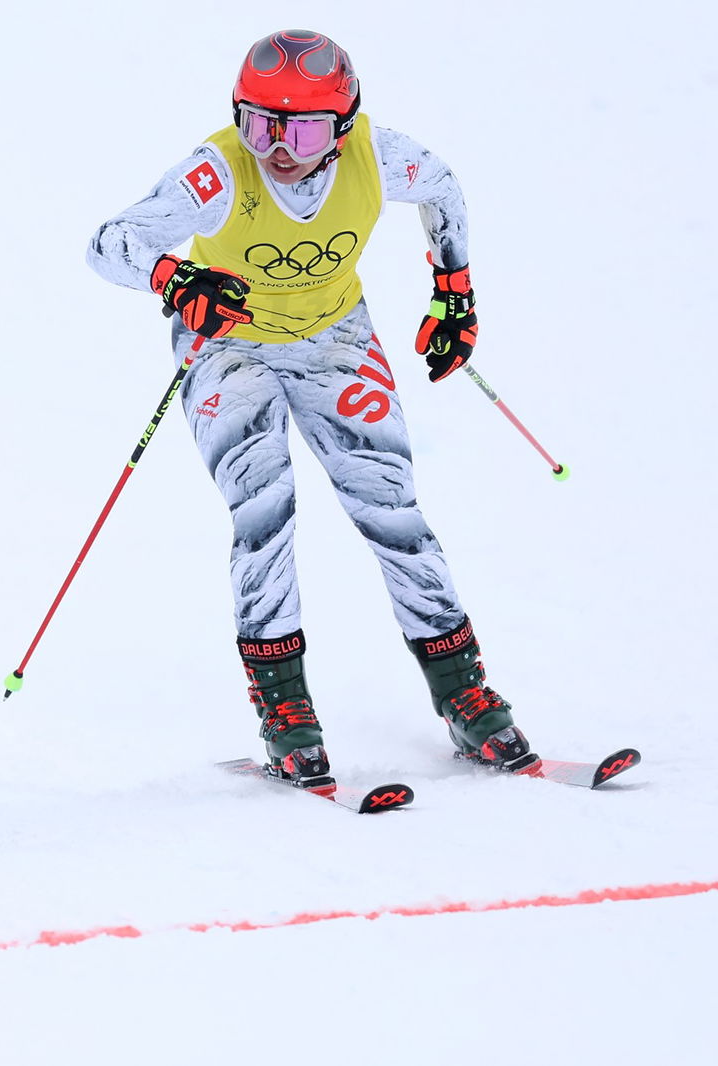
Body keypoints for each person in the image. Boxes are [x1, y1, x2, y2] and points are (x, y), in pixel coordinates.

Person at [86, 29, 531, 786]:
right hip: (230, 349)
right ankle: (284, 708)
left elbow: (444, 186)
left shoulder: (378, 156)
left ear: (345, 127)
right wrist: (173, 278)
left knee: (391, 508)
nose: (280, 149)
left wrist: (454, 290)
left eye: (305, 130)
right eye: (260, 125)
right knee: (264, 508)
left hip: (334, 339)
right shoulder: (217, 171)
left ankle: (463, 692)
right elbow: (106, 241)